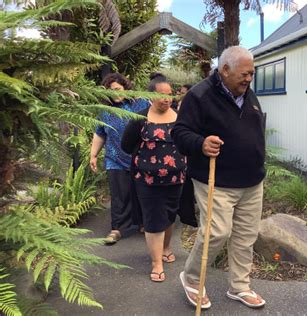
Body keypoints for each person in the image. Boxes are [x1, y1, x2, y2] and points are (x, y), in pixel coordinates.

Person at [171, 46, 266, 309]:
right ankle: (191, 280)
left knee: (246, 236)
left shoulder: (248, 94)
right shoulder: (199, 96)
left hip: (252, 181)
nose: (249, 79)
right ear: (225, 70)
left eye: (252, 74)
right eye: (244, 74)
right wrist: (201, 143)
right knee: (216, 232)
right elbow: (179, 132)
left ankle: (239, 286)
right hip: (217, 180)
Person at [121, 80, 186, 282]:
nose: (167, 98)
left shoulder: (181, 118)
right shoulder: (139, 118)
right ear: (150, 96)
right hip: (147, 181)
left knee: (169, 215)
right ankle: (156, 262)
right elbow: (126, 144)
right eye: (161, 95)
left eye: (169, 94)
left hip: (176, 179)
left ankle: (166, 247)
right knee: (153, 219)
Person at [89, 73, 149, 245]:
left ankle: (144, 223)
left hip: (140, 156)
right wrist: (93, 155)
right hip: (114, 158)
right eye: (110, 91)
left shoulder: (142, 103)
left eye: (117, 89)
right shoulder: (105, 110)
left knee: (142, 192)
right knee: (118, 195)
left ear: (125, 87)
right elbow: (100, 133)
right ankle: (117, 229)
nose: (114, 93)